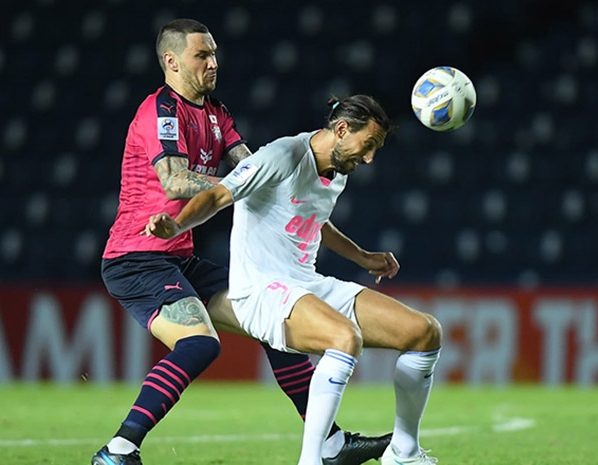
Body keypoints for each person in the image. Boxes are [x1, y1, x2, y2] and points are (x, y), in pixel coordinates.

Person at [92, 19, 389, 465]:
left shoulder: (217, 115)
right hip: (137, 258)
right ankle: (119, 448)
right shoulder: (161, 112)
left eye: (214, 54)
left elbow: (266, 180)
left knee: (273, 320)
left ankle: (328, 443)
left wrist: (282, 180)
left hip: (179, 258)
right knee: (200, 343)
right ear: (171, 62)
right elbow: (174, 182)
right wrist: (246, 182)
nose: (213, 63)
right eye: (201, 55)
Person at [147, 94, 443, 465]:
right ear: (341, 129)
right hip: (260, 291)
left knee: (425, 332)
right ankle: (311, 461)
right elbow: (220, 195)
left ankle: (404, 452)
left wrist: (363, 257)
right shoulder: (281, 156)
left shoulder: (337, 171)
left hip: (306, 284)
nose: (368, 159)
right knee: (343, 337)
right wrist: (176, 225)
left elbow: (316, 220)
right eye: (367, 146)